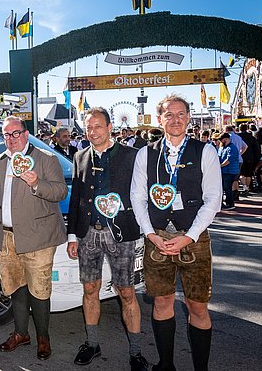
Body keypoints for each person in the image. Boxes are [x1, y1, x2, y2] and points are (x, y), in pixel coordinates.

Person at [131, 95, 222, 371]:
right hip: (157, 237)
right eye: (169, 115)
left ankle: (201, 368)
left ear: (188, 117)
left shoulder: (204, 151)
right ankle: (166, 364)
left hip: (192, 238)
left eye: (181, 114)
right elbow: (137, 197)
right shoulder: (146, 153)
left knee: (197, 307)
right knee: (162, 302)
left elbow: (214, 198)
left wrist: (189, 236)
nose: (175, 119)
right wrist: (150, 234)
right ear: (160, 119)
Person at [66, 107, 148, 370]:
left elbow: (142, 193)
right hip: (88, 233)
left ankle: (135, 352)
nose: (93, 131)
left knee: (126, 292)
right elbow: (76, 197)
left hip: (121, 234)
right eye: (89, 127)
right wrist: (72, 235)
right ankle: (92, 344)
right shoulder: (79, 156)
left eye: (98, 126)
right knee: (90, 289)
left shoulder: (132, 156)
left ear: (110, 127)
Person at [0, 116, 67, 360]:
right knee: (16, 286)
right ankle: (21, 333)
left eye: (15, 133)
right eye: (6, 135)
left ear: (25, 134)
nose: (11, 139)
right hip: (7, 238)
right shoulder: (0, 162)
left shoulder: (46, 159)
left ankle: (43, 338)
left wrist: (37, 183)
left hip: (38, 239)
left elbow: (60, 192)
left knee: (40, 290)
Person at [216, 132, 240, 210]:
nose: (220, 142)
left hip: (230, 171)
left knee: (227, 187)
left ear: (226, 139)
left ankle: (230, 203)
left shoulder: (232, 148)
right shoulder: (223, 148)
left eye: (222, 140)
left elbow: (229, 160)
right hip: (224, 171)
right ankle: (225, 203)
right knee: (223, 187)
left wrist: (220, 165)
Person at [237, 124, 260, 193]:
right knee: (249, 173)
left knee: (241, 173)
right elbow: (256, 149)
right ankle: (247, 186)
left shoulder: (238, 137)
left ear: (239, 128)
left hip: (241, 157)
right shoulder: (251, 137)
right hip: (250, 157)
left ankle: (244, 186)